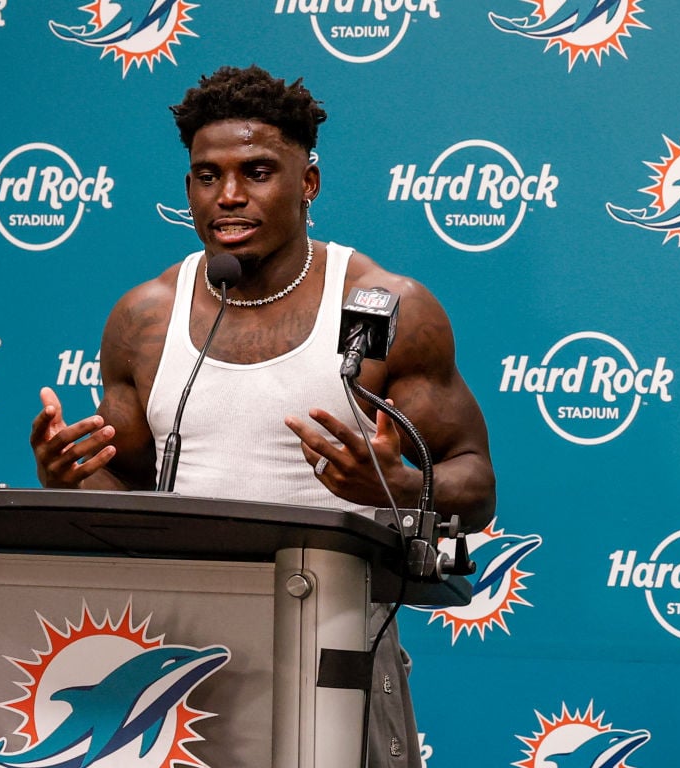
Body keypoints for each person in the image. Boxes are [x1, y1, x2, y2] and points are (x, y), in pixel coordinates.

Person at [30, 64, 495, 767]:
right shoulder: (146, 318)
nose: (230, 197)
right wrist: (68, 479)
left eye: (256, 171)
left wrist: (395, 488)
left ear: (307, 183)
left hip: (337, 645)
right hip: (174, 657)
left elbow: (476, 486)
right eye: (206, 176)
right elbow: (122, 503)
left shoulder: (379, 306)